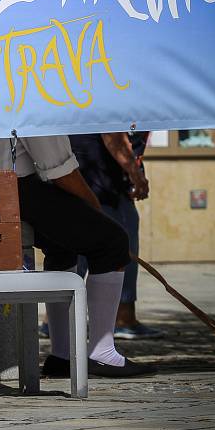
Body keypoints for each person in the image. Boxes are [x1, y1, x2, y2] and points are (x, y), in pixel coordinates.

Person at [0, 136, 156, 378]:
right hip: (15, 189)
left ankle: (63, 356)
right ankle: (102, 353)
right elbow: (60, 169)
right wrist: (94, 209)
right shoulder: (35, 101)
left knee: (61, 245)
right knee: (113, 241)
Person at [70, 132, 164, 339]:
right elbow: (113, 136)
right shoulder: (111, 101)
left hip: (82, 181)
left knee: (79, 253)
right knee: (122, 243)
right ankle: (123, 318)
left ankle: (58, 321)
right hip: (103, 187)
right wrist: (136, 174)